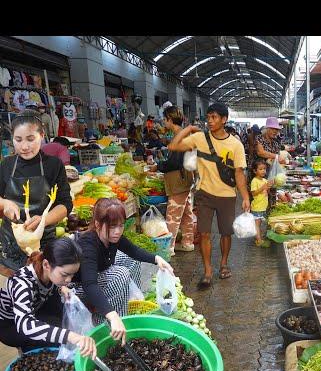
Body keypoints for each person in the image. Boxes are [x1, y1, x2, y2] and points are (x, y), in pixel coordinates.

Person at [168, 102, 250, 287]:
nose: (210, 121)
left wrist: (245, 197)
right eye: (208, 117)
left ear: (224, 119)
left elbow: (239, 173)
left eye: (214, 117)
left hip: (227, 195)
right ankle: (207, 270)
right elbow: (174, 146)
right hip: (204, 193)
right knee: (204, 233)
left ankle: (223, 264)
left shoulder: (235, 145)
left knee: (226, 233)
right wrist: (187, 128)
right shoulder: (199, 138)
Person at [73, 198, 173, 341]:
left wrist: (157, 259)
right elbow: (89, 285)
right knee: (120, 274)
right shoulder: (88, 245)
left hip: (97, 275)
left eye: (121, 226)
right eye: (112, 227)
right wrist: (112, 315)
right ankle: (113, 321)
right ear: (97, 224)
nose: (118, 231)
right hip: (79, 289)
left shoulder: (112, 237)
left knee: (129, 259)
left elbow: (134, 251)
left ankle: (131, 301)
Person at [0, 111, 73, 271]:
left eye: (30, 139)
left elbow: (65, 204)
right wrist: (4, 203)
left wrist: (44, 220)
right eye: (18, 140)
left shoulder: (53, 165)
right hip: (10, 244)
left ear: (42, 135)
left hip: (43, 242)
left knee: (43, 285)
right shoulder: (6, 165)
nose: (24, 146)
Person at [0, 237, 97, 357]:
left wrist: (62, 287)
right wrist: (71, 336)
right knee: (51, 339)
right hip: (11, 325)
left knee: (58, 319)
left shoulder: (48, 273)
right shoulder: (22, 283)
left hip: (35, 309)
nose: (69, 280)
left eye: (72, 275)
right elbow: (25, 325)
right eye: (65, 275)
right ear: (46, 264)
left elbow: (54, 283)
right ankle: (26, 350)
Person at [149, 106, 195, 255]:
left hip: (178, 181)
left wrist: (158, 166)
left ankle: (167, 248)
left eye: (164, 119)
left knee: (173, 216)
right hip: (186, 179)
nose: (163, 122)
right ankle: (187, 243)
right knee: (187, 213)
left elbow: (174, 162)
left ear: (170, 119)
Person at [250, 159, 272, 248]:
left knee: (260, 224)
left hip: (263, 206)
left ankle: (259, 236)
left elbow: (267, 192)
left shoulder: (264, 180)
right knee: (257, 224)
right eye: (261, 169)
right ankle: (258, 240)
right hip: (257, 207)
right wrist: (263, 187)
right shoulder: (254, 181)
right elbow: (253, 193)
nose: (263, 171)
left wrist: (269, 186)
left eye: (264, 169)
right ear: (255, 171)